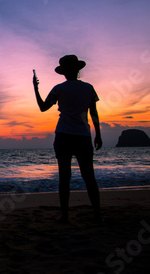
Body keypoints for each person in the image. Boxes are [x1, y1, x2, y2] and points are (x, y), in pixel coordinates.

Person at [33, 55, 102, 223]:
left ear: (64, 72)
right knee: (89, 177)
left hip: (63, 136)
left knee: (65, 178)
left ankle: (65, 216)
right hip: (83, 137)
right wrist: (98, 134)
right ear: (78, 70)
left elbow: (43, 108)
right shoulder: (89, 88)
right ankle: (97, 216)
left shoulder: (59, 89)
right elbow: (93, 113)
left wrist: (35, 88)